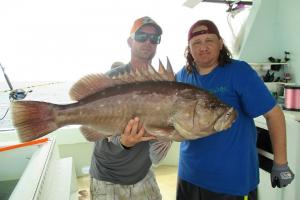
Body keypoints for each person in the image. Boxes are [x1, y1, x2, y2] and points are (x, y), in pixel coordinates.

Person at [175, 19, 294, 200]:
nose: (203, 47)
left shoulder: (239, 72)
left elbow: (273, 114)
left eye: (209, 40)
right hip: (189, 177)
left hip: (232, 183)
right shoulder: (182, 76)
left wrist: (281, 163)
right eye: (196, 43)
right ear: (189, 48)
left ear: (220, 43)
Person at [89, 16, 163, 200]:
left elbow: (159, 137)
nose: (148, 41)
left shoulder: (163, 83)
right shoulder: (110, 79)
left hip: (142, 174)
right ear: (130, 41)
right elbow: (95, 129)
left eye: (154, 38)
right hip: (108, 179)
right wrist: (123, 142)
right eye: (141, 36)